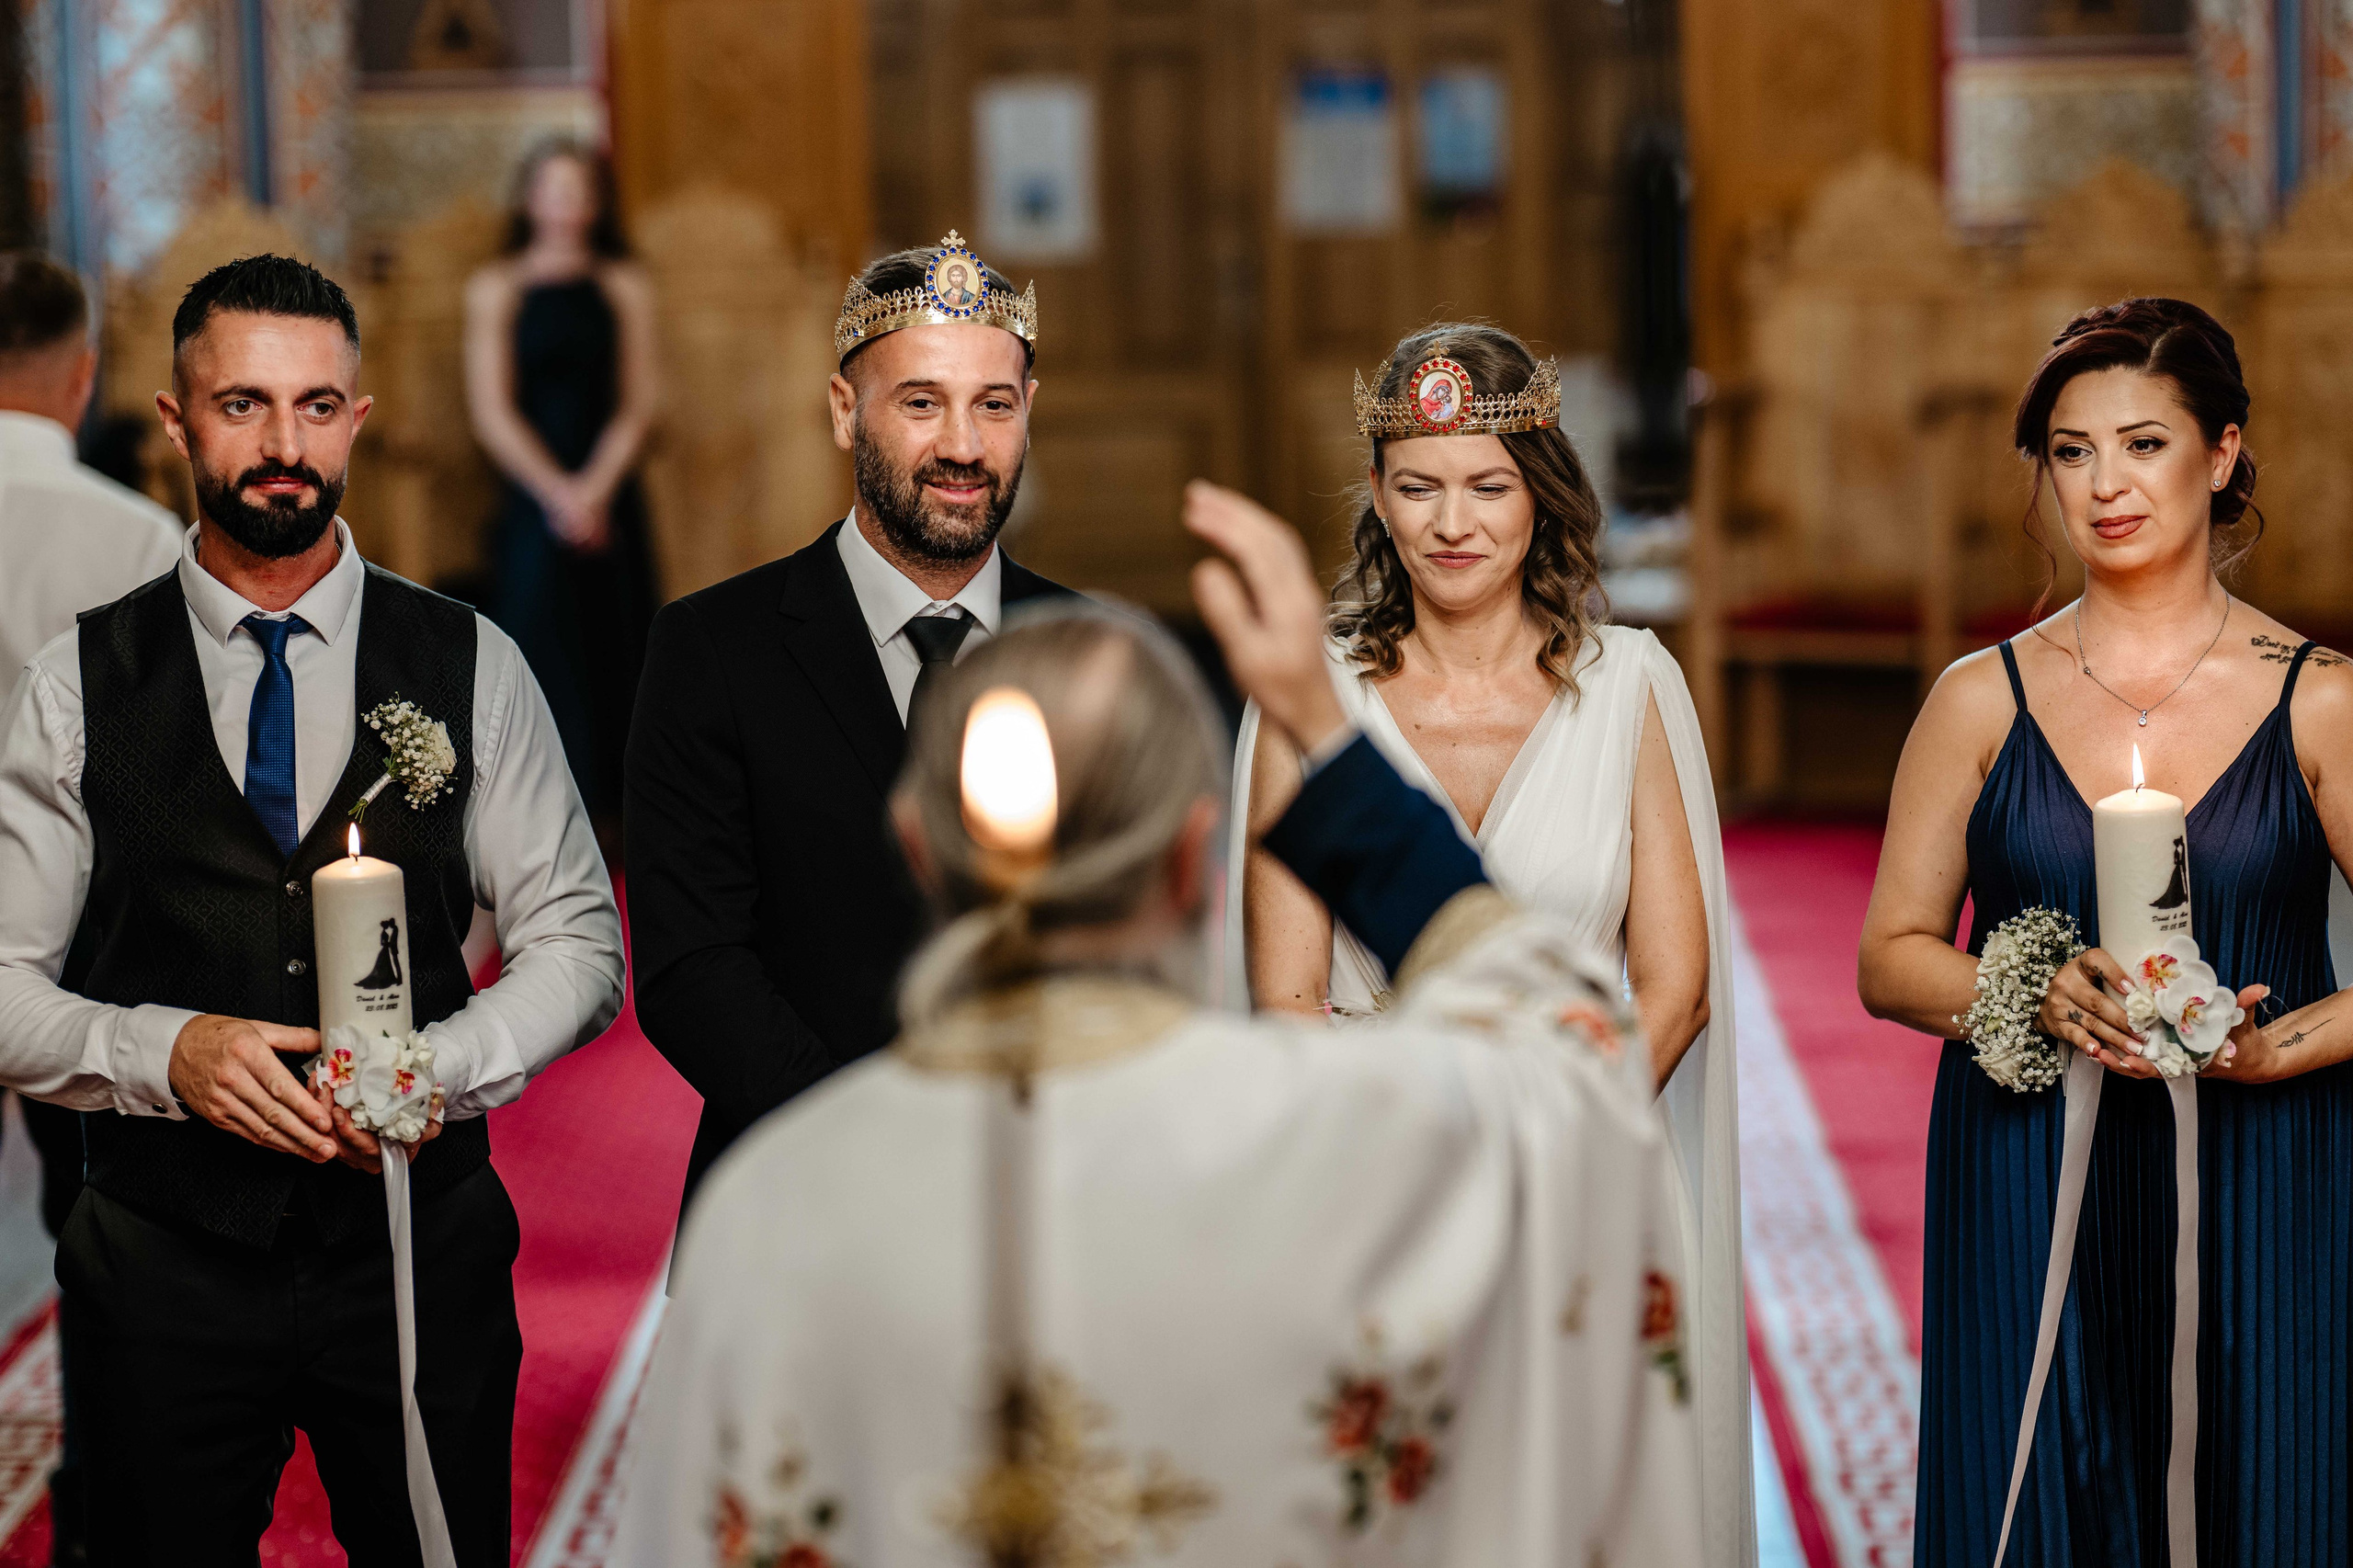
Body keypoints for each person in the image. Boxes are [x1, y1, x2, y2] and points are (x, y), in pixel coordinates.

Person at [615, 482, 1702, 1568]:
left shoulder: (776, 1204)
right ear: (1197, 859)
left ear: (916, 847)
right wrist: (1328, 740)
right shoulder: (1340, 1150)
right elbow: (1572, 1048)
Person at [0, 253, 626, 1564]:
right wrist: (160, 1051)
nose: (284, 445)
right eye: (241, 406)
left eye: (317, 406)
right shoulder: (79, 679)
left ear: (358, 414)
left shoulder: (470, 660)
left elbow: (577, 938)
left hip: (416, 1246)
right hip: (162, 1253)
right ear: (173, 421)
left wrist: (435, 1069)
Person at [1228, 322, 1750, 1566]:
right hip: (1373, 1188)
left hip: (1584, 1178)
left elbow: (1675, 987)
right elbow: (1286, 993)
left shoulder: (1629, 683)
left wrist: (1555, 1162)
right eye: (1418, 486)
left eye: (1487, 485)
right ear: (1376, 499)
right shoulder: (1312, 697)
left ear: (1542, 494)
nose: (1452, 521)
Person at [1859, 296, 2353, 1566]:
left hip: (2273, 1169)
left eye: (2143, 443)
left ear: (2224, 451)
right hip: (2027, 1169)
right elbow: (1891, 954)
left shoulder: (2322, 699)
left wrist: (2281, 1050)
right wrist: (2025, 989)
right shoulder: (1980, 698)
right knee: (2037, 1492)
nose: (2104, 484)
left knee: (2271, 1470)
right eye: (2071, 452)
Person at [625, 232, 1070, 1213]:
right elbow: (691, 966)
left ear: (1027, 412)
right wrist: (869, 1148)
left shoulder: (1091, 651)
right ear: (843, 411)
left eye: (992, 405)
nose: (961, 445)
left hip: (1052, 1197)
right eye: (921, 402)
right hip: (796, 1195)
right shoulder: (711, 650)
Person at [0, 248, 182, 1568]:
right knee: (93, 1213)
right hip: (71, 928)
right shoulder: (130, 534)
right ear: (82, 375)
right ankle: (102, 1496)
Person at [466, 137, 660, 828]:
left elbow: (640, 403)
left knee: (619, 646)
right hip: (531, 497)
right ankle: (533, 815)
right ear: (528, 197)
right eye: (552, 187)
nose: (565, 202)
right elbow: (492, 412)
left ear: (597, 201)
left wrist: (597, 490)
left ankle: (619, 818)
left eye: (579, 189)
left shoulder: (624, 284)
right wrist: (559, 495)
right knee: (536, 642)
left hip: (612, 492)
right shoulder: (496, 287)